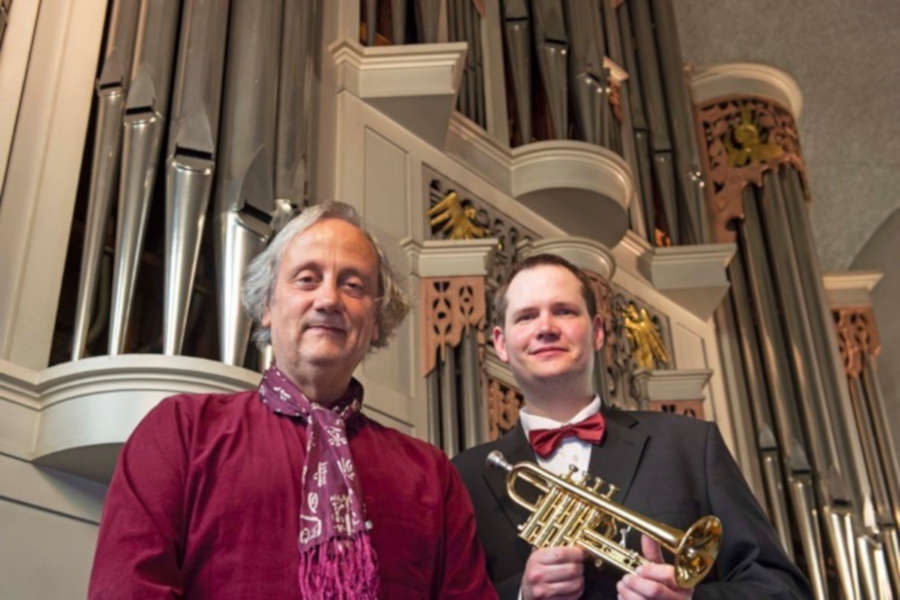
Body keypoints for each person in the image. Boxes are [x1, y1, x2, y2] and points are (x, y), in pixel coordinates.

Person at [89, 202, 497, 599]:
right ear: (267, 305)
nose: (328, 300)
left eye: (353, 285)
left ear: (375, 321)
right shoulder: (181, 430)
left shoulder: (431, 474)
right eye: (306, 279)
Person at [452, 254, 811, 599]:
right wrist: (521, 596)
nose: (546, 328)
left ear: (596, 332)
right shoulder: (462, 477)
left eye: (564, 311)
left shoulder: (689, 444)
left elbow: (784, 590)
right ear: (500, 343)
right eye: (527, 316)